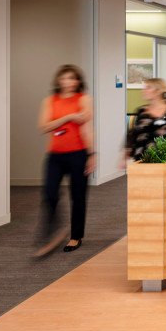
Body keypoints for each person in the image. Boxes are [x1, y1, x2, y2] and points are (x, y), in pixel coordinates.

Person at [36, 64, 95, 256]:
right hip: (55, 155)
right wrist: (69, 117)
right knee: (49, 194)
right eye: (65, 78)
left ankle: (76, 236)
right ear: (58, 80)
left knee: (77, 196)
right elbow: (44, 127)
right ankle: (54, 231)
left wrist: (92, 154)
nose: (68, 82)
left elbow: (86, 127)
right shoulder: (49, 100)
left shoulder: (84, 99)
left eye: (72, 78)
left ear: (78, 81)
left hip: (78, 154)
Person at [126, 78, 166, 161]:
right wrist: (125, 155)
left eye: (148, 87)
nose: (143, 90)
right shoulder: (141, 111)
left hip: (162, 161)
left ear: (158, 91)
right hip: (140, 161)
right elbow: (133, 135)